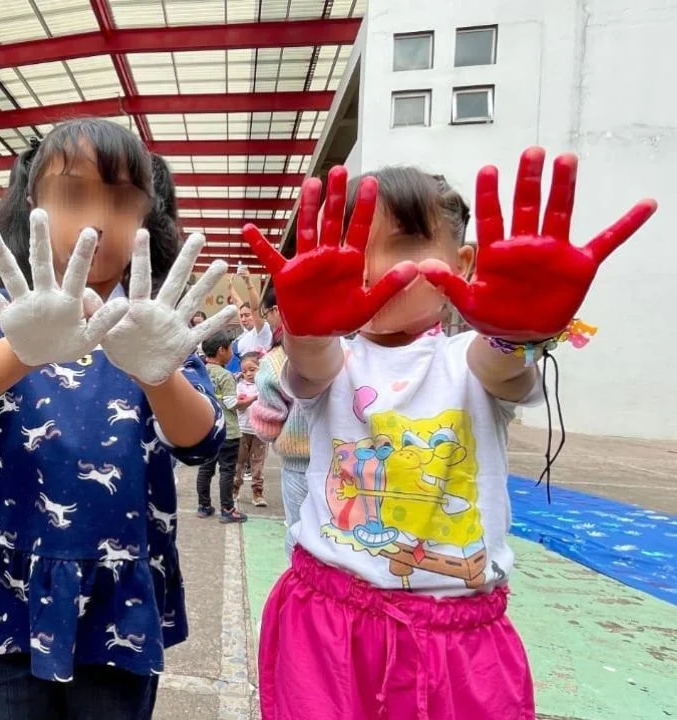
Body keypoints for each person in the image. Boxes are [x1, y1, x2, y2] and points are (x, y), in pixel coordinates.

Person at [242, 153, 656, 720]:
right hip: (327, 621)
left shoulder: (468, 360)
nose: (377, 268)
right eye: (356, 245)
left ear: (463, 264)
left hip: (459, 633)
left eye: (405, 244)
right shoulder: (337, 360)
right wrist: (307, 327)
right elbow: (312, 366)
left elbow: (502, 366)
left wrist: (520, 331)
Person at [0, 118, 234, 719]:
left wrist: (159, 372)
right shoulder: (9, 319)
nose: (98, 217)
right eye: (72, 194)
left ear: (149, 216)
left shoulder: (155, 326)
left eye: (122, 199)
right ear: (32, 206)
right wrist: (22, 347)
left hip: (119, 588)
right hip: (16, 581)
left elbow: (201, 440)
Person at [248, 343, 309, 553]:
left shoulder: (281, 358)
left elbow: (268, 427)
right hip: (362, 460)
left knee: (302, 541)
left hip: (301, 462)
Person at [194, 331, 248, 523]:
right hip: (227, 430)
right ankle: (227, 508)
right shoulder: (225, 376)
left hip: (205, 429)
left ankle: (204, 505)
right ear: (221, 350)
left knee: (205, 468)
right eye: (230, 349)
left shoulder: (199, 371)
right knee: (227, 470)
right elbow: (232, 403)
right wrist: (250, 400)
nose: (232, 353)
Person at [233, 350, 268, 508]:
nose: (248, 374)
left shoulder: (266, 386)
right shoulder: (239, 386)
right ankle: (235, 490)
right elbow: (239, 406)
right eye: (245, 371)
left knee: (257, 463)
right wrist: (253, 398)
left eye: (252, 369)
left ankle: (257, 493)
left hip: (260, 431)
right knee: (239, 462)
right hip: (242, 429)